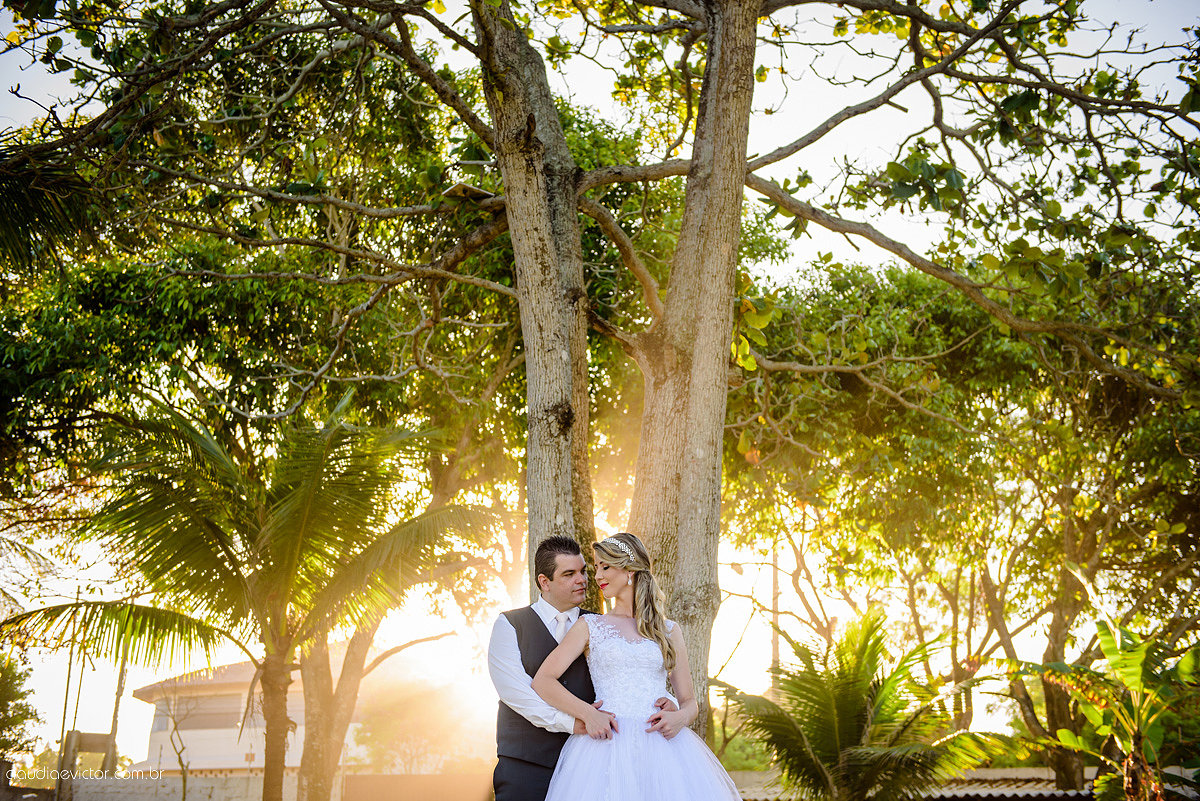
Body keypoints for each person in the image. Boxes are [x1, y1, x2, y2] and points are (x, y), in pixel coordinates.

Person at [532, 532, 743, 800]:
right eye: (596, 568)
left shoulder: (668, 631)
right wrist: (587, 714)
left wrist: (680, 717)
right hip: (604, 748)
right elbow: (543, 681)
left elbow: (690, 701)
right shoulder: (590, 626)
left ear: (629, 570)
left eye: (605, 567)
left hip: (663, 749)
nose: (596, 577)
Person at [488, 534, 677, 801]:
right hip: (527, 764)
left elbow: (629, 673)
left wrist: (668, 702)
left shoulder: (602, 626)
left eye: (583, 571)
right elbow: (518, 694)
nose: (583, 579)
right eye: (569, 574)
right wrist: (577, 720)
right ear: (545, 582)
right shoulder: (510, 625)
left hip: (597, 759)